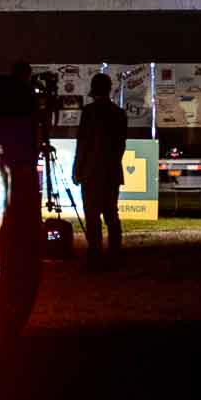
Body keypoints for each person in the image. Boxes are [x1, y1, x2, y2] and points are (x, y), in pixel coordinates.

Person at [73, 72, 127, 270]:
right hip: (111, 172)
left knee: (93, 217)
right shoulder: (119, 113)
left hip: (91, 173)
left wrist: (77, 169)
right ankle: (115, 255)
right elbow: (121, 145)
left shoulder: (89, 112)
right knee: (112, 214)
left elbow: (83, 144)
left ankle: (95, 256)